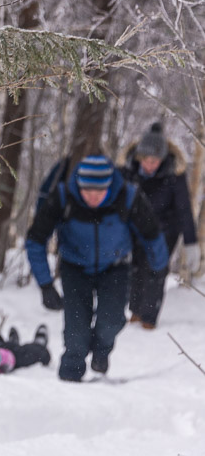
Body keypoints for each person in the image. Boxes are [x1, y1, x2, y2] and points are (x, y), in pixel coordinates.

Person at [25, 154, 168, 382]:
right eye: (87, 191)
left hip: (115, 267)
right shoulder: (63, 197)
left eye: (99, 192)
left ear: (109, 186)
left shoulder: (127, 197)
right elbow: (35, 239)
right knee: (76, 331)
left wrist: (158, 270)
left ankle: (102, 350)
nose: (93, 197)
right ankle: (70, 378)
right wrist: (45, 285)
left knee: (111, 321)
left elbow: (152, 234)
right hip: (75, 269)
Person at [118, 122, 200, 329]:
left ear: (162, 159)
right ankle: (135, 310)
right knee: (135, 268)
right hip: (135, 227)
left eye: (155, 161)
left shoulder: (174, 174)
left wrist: (191, 242)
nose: (150, 165)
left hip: (165, 229)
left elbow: (183, 209)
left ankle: (149, 318)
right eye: (146, 160)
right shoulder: (128, 170)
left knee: (156, 269)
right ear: (139, 157)